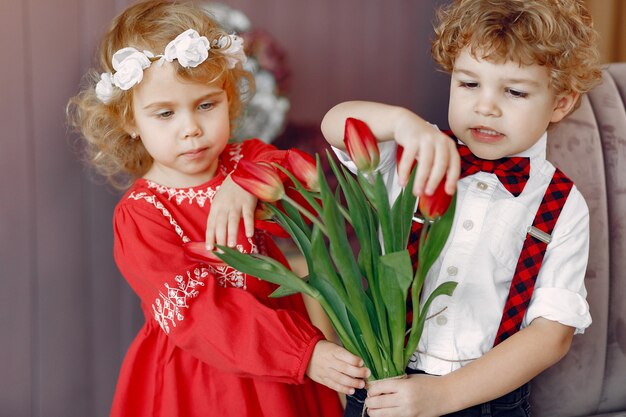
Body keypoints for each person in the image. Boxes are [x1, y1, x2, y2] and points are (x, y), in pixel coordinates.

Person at [67, 1, 369, 416]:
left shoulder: (251, 158)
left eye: (206, 105)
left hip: (287, 364)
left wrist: (247, 183)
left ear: (228, 98)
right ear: (130, 121)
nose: (190, 128)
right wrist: (303, 353)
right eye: (166, 113)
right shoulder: (142, 214)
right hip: (203, 379)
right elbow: (200, 314)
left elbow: (308, 205)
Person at [320, 0, 602, 416]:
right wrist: (401, 122)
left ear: (560, 103)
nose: (485, 106)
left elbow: (551, 335)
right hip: (382, 381)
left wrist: (444, 396)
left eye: (515, 91)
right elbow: (336, 125)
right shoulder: (414, 153)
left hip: (483, 399)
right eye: (469, 84)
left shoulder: (562, 204)